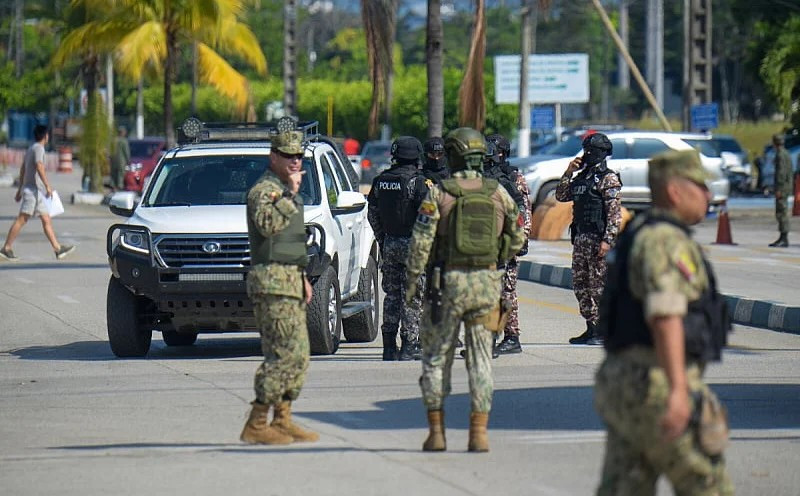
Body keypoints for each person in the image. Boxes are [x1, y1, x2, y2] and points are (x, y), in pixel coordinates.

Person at [594, 149, 733, 495]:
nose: (708, 194)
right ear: (674, 191)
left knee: (624, 488)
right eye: (700, 186)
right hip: (655, 381)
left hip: (626, 382)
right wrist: (678, 391)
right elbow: (665, 315)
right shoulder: (665, 240)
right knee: (707, 484)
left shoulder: (640, 232)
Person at [405, 127, 525, 452]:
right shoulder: (498, 192)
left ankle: (436, 433)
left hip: (446, 286)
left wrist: (413, 281)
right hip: (486, 286)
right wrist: (496, 259)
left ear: (453, 156)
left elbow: (420, 243)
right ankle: (478, 433)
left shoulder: (439, 193)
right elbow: (518, 236)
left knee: (436, 358)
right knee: (481, 359)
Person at [240, 127, 318, 445]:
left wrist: (302, 278)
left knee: (299, 355)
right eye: (288, 155)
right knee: (283, 354)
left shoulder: (285, 191)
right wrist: (289, 196)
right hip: (272, 283)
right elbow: (268, 225)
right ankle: (257, 422)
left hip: (290, 281)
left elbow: (290, 243)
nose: (295, 161)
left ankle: (282, 419)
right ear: (273, 156)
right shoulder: (264, 191)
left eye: (299, 155)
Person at [555, 132, 622, 345]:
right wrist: (569, 172)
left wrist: (607, 241)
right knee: (581, 285)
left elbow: (614, 214)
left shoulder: (608, 178)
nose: (588, 154)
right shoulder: (582, 177)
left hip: (598, 239)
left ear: (601, 153)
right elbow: (561, 195)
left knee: (599, 287)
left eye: (591, 151)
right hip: (581, 238)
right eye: (586, 150)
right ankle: (591, 328)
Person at [367, 136, 429, 361]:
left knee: (392, 295)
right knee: (411, 296)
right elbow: (429, 217)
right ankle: (409, 345)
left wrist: (383, 240)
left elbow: (372, 213)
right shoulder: (419, 183)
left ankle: (388, 346)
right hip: (414, 246)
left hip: (391, 243)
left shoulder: (380, 181)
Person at [483, 133, 532, 355]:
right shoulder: (482, 175)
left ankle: (512, 337)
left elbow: (524, 210)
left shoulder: (512, 177)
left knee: (506, 292)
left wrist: (522, 238)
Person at [0, 125, 75, 262]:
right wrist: (47, 186)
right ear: (45, 136)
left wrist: (20, 189)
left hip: (35, 192)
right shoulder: (39, 149)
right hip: (33, 191)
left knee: (46, 220)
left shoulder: (31, 148)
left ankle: (57, 249)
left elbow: (23, 169)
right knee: (22, 219)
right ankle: (6, 248)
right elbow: (39, 166)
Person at [770, 133, 791, 247]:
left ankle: (784, 237)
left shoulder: (780, 155)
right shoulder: (786, 153)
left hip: (782, 187)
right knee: (782, 211)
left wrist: (779, 188)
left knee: (781, 212)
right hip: (786, 186)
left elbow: (781, 173)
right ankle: (782, 236)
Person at [110, 125, 131, 191]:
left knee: (114, 174)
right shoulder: (124, 141)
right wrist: (128, 160)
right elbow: (126, 152)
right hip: (121, 161)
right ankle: (119, 186)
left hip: (113, 160)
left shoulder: (113, 140)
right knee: (120, 174)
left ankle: (113, 186)